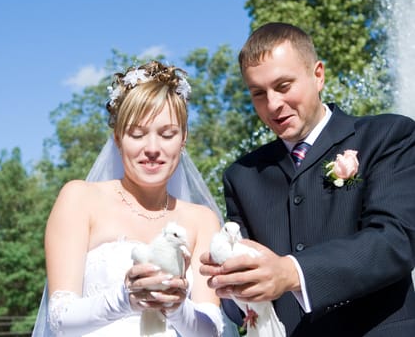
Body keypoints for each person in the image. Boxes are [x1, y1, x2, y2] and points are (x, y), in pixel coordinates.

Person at [200, 22, 415, 336]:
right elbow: (244, 300)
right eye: (258, 93)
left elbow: (395, 241)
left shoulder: (388, 136)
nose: (272, 104)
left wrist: (292, 273)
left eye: (283, 86)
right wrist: (230, 284)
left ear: (318, 75)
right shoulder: (241, 176)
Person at [32, 60, 238, 336]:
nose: (152, 148)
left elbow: (210, 331)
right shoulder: (80, 199)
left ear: (183, 138)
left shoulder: (202, 220)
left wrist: (177, 307)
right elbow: (59, 319)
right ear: (118, 138)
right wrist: (125, 298)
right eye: (137, 134)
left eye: (167, 134)